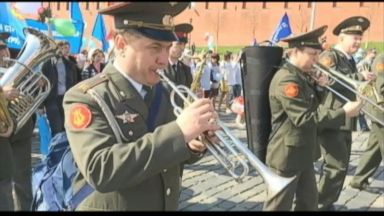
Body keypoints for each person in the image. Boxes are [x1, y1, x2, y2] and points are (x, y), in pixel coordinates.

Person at [62, 2, 219, 211]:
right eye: (154, 47)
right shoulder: (87, 97)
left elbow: (167, 158)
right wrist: (179, 132)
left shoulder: (164, 92)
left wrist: (192, 144)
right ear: (120, 44)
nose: (164, 59)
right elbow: (100, 170)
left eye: (166, 48)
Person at [263, 25, 363, 211]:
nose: (317, 60)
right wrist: (344, 113)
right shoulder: (287, 80)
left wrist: (320, 88)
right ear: (296, 52)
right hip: (287, 155)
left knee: (309, 204)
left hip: (304, 151)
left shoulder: (301, 76)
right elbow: (305, 118)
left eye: (318, 54)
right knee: (279, 206)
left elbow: (314, 106)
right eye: (312, 54)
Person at [316, 16, 376, 211]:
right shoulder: (330, 56)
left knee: (340, 166)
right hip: (333, 118)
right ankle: (321, 204)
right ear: (341, 37)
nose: (358, 42)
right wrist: (359, 77)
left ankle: (327, 202)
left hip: (345, 118)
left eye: (360, 38)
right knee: (335, 166)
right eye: (354, 38)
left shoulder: (348, 60)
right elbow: (329, 79)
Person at [0, 32, 34, 211]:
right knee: (4, 184)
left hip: (21, 129)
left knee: (23, 178)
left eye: (4, 48)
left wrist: (35, 90)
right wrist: (2, 95)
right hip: (2, 136)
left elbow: (30, 94)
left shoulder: (16, 69)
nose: (3, 53)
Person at [349, 52, 384, 190]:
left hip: (379, 111)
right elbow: (382, 86)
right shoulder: (382, 59)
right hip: (380, 110)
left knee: (375, 148)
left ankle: (359, 179)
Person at [40, 40, 79, 137]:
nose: (64, 50)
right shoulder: (47, 65)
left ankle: (65, 151)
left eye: (66, 48)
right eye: (61, 48)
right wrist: (40, 106)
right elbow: (41, 86)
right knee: (56, 128)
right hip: (52, 100)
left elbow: (75, 83)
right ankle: (57, 150)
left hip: (66, 99)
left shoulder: (71, 65)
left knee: (66, 128)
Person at [162, 23, 193, 114]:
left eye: (184, 44)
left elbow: (187, 93)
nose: (183, 48)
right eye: (179, 44)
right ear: (169, 44)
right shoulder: (159, 68)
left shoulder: (186, 69)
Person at [356, 48, 377, 131]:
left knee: (369, 104)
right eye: (373, 52)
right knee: (362, 105)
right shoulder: (363, 63)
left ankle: (368, 124)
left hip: (369, 86)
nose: (375, 54)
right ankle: (363, 125)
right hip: (364, 86)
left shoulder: (371, 62)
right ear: (369, 53)